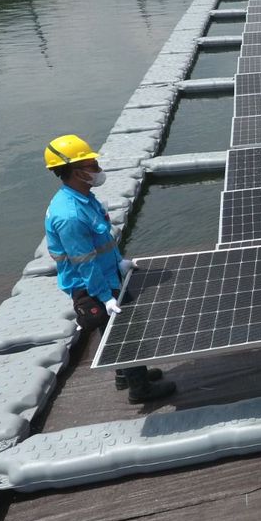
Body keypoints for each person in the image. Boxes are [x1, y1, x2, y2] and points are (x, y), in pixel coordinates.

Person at [44, 134, 175, 403]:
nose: (97, 168)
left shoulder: (83, 197)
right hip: (93, 284)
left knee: (114, 331)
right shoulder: (69, 215)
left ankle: (125, 375)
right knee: (127, 331)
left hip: (107, 274)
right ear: (75, 171)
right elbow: (85, 263)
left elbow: (101, 241)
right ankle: (140, 390)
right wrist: (104, 296)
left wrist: (118, 262)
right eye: (91, 164)